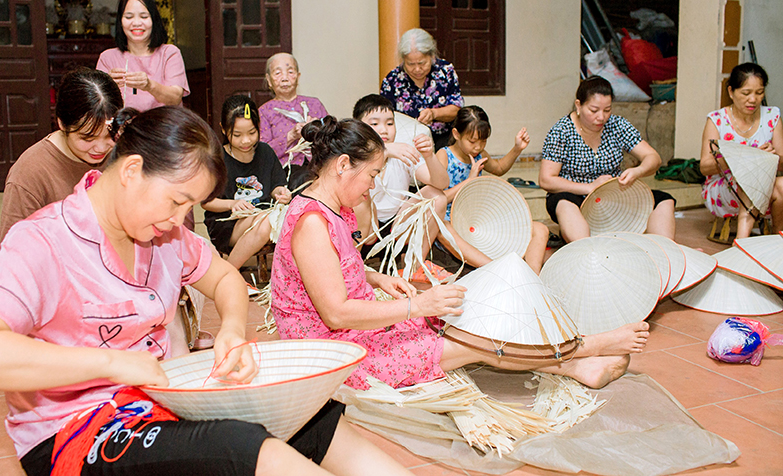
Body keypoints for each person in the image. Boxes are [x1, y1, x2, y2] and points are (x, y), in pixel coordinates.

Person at [0, 106, 414, 476]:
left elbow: (225, 279)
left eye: (190, 206)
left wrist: (231, 330)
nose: (179, 220)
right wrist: (112, 363)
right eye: (176, 201)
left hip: (160, 398)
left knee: (312, 418)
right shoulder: (43, 241)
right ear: (131, 171)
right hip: (75, 429)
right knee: (239, 447)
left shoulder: (165, 236)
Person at [270, 116, 650, 393]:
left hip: (350, 330)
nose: (371, 186)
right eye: (372, 175)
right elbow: (336, 313)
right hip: (333, 352)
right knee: (467, 341)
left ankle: (573, 366)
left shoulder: (331, 207)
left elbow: (331, 269)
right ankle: (585, 348)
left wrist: (375, 277)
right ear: (342, 165)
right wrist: (417, 306)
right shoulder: (312, 224)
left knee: (457, 322)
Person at [539, 76, 676, 243]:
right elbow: (546, 180)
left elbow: (653, 158)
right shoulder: (561, 131)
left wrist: (637, 171)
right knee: (565, 204)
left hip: (613, 194)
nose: (601, 117)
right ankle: (585, 248)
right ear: (578, 105)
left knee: (664, 200)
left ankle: (663, 249)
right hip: (575, 194)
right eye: (594, 110)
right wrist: (589, 187)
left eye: (607, 110)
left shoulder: (617, 125)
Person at [0, 67, 120, 246]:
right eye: (87, 138)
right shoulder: (29, 174)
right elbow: (13, 250)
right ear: (62, 123)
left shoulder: (122, 153)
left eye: (111, 136)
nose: (101, 148)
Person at [437, 106, 550, 274]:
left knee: (540, 229)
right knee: (443, 229)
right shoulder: (444, 156)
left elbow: (499, 168)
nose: (478, 147)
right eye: (472, 141)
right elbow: (436, 199)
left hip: (479, 220)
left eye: (483, 141)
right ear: (456, 134)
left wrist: (517, 149)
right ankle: (498, 271)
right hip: (451, 220)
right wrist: (469, 181)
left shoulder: (480, 154)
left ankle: (532, 278)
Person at [351, 94, 451, 279]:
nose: (384, 130)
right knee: (359, 199)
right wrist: (383, 151)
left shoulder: (403, 152)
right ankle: (351, 267)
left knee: (437, 196)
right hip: (365, 231)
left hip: (396, 227)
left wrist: (429, 156)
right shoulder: (352, 154)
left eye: (390, 123)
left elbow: (442, 183)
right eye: (374, 124)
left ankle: (414, 264)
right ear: (359, 127)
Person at [203, 95, 291, 269]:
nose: (246, 140)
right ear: (223, 129)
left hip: (263, 217)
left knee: (270, 221)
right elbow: (206, 202)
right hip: (228, 223)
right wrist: (232, 204)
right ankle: (230, 270)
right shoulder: (217, 158)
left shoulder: (265, 152)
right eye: (237, 135)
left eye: (252, 133)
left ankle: (229, 270)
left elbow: (276, 186)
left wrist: (281, 193)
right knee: (266, 221)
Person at [700, 62, 783, 238]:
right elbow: (705, 167)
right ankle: (742, 240)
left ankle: (777, 238)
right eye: (746, 93)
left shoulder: (772, 116)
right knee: (751, 176)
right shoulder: (717, 120)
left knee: (781, 185)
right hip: (725, 190)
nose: (753, 99)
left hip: (767, 188)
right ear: (731, 92)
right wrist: (741, 158)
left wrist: (771, 157)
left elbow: (782, 163)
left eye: (759, 93)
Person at [97, 0, 189, 111]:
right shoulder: (107, 58)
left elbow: (175, 98)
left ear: (154, 20)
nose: (136, 23)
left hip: (161, 123)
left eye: (144, 17)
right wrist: (107, 86)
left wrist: (149, 85)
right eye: (129, 17)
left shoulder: (169, 53)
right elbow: (97, 105)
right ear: (120, 21)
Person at [380, 28, 463, 150]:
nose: (417, 69)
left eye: (422, 63)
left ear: (432, 56)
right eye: (410, 64)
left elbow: (456, 109)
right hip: (408, 143)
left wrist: (434, 113)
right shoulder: (392, 80)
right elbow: (384, 117)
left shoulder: (445, 71)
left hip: (444, 140)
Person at [259, 53, 328, 172]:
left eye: (290, 72)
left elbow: (333, 139)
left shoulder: (315, 104)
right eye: (278, 73)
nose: (285, 78)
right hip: (284, 172)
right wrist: (291, 136)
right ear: (269, 80)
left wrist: (317, 130)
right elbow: (262, 153)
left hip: (318, 168)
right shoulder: (264, 111)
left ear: (298, 76)